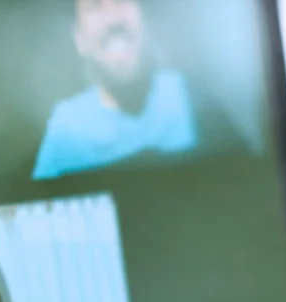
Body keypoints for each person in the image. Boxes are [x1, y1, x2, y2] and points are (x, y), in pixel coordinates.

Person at [32, 0, 237, 180]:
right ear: (79, 40)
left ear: (143, 20)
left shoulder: (191, 94)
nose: (112, 18)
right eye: (94, 6)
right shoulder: (67, 126)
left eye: (122, 1)